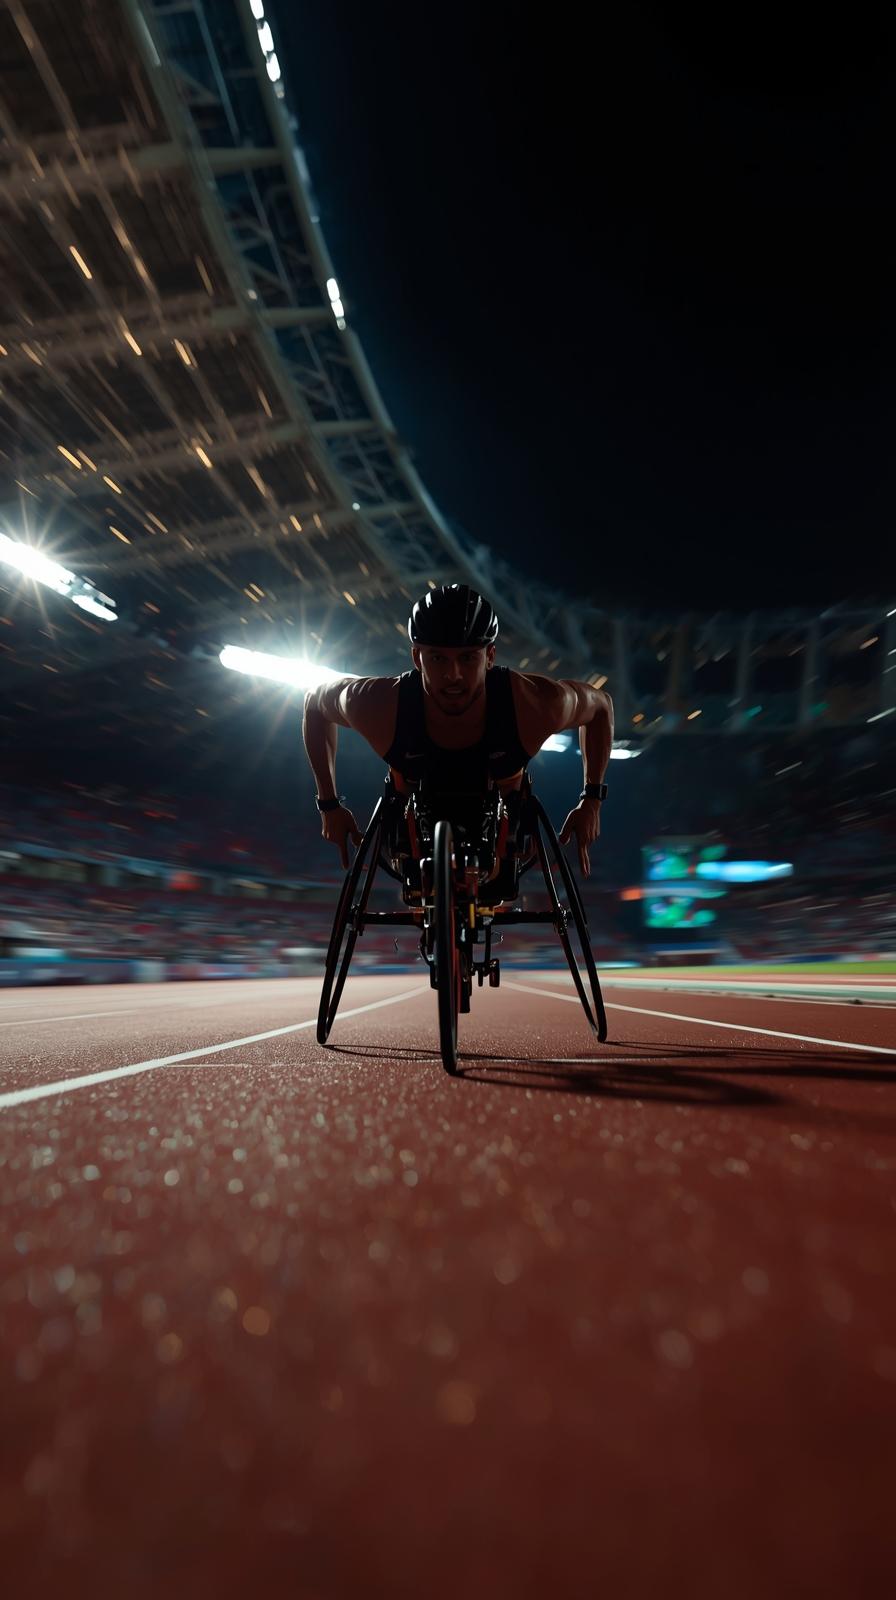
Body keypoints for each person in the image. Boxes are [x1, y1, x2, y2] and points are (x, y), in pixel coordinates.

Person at [302, 584, 613, 877]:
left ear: (490, 657)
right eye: (438, 658)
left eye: (467, 658)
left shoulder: (536, 703)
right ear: (417, 658)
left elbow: (601, 706)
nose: (453, 675)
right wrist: (328, 805)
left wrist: (592, 800)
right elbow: (314, 703)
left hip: (503, 800)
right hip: (412, 801)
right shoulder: (377, 704)